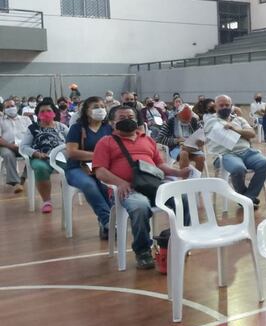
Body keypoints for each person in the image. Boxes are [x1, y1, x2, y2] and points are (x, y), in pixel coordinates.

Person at [93, 105, 191, 269]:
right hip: (127, 189)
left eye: (131, 117)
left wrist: (179, 173)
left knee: (181, 197)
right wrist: (120, 183)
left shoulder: (147, 139)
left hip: (152, 184)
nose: (128, 121)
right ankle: (143, 250)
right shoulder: (106, 142)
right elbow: (100, 171)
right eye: (122, 118)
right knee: (139, 206)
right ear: (112, 123)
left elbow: (159, 165)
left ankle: (179, 238)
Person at [204, 95, 266, 206]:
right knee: (238, 168)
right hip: (225, 154)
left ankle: (247, 198)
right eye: (221, 105)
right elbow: (217, 134)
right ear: (215, 107)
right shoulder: (211, 121)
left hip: (246, 152)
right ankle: (247, 198)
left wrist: (235, 129)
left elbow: (251, 134)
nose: (224, 107)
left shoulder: (239, 119)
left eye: (227, 105)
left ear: (231, 106)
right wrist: (242, 134)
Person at [64, 96, 113, 239]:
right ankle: (108, 221)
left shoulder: (109, 128)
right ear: (86, 111)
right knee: (89, 185)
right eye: (96, 107)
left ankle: (106, 225)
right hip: (77, 168)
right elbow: (72, 152)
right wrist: (98, 155)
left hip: (101, 167)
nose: (101, 109)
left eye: (103, 106)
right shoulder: (77, 128)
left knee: (107, 186)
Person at [19, 98, 68, 214]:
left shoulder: (62, 127)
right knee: (40, 168)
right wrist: (36, 153)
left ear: (54, 113)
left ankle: (67, 198)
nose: (46, 113)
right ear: (37, 114)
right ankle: (47, 202)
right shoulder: (33, 128)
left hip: (61, 157)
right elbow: (24, 147)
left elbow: (72, 141)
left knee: (71, 170)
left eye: (48, 111)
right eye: (42, 111)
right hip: (41, 158)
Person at [157, 105, 205, 172]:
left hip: (193, 148)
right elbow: (159, 139)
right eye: (184, 121)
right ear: (178, 116)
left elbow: (202, 134)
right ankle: (184, 178)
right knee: (184, 153)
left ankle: (197, 177)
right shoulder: (170, 122)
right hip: (176, 148)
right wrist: (176, 140)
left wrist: (201, 141)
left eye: (188, 120)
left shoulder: (194, 121)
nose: (187, 122)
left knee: (201, 157)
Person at [0, 98, 31, 193]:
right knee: (8, 154)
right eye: (7, 107)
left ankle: (23, 178)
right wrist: (11, 146)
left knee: (34, 155)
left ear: (16, 107)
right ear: (4, 110)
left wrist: (24, 145)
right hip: (7, 146)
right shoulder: (1, 121)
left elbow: (33, 135)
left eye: (12, 106)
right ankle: (16, 182)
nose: (10, 108)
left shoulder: (26, 119)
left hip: (24, 146)